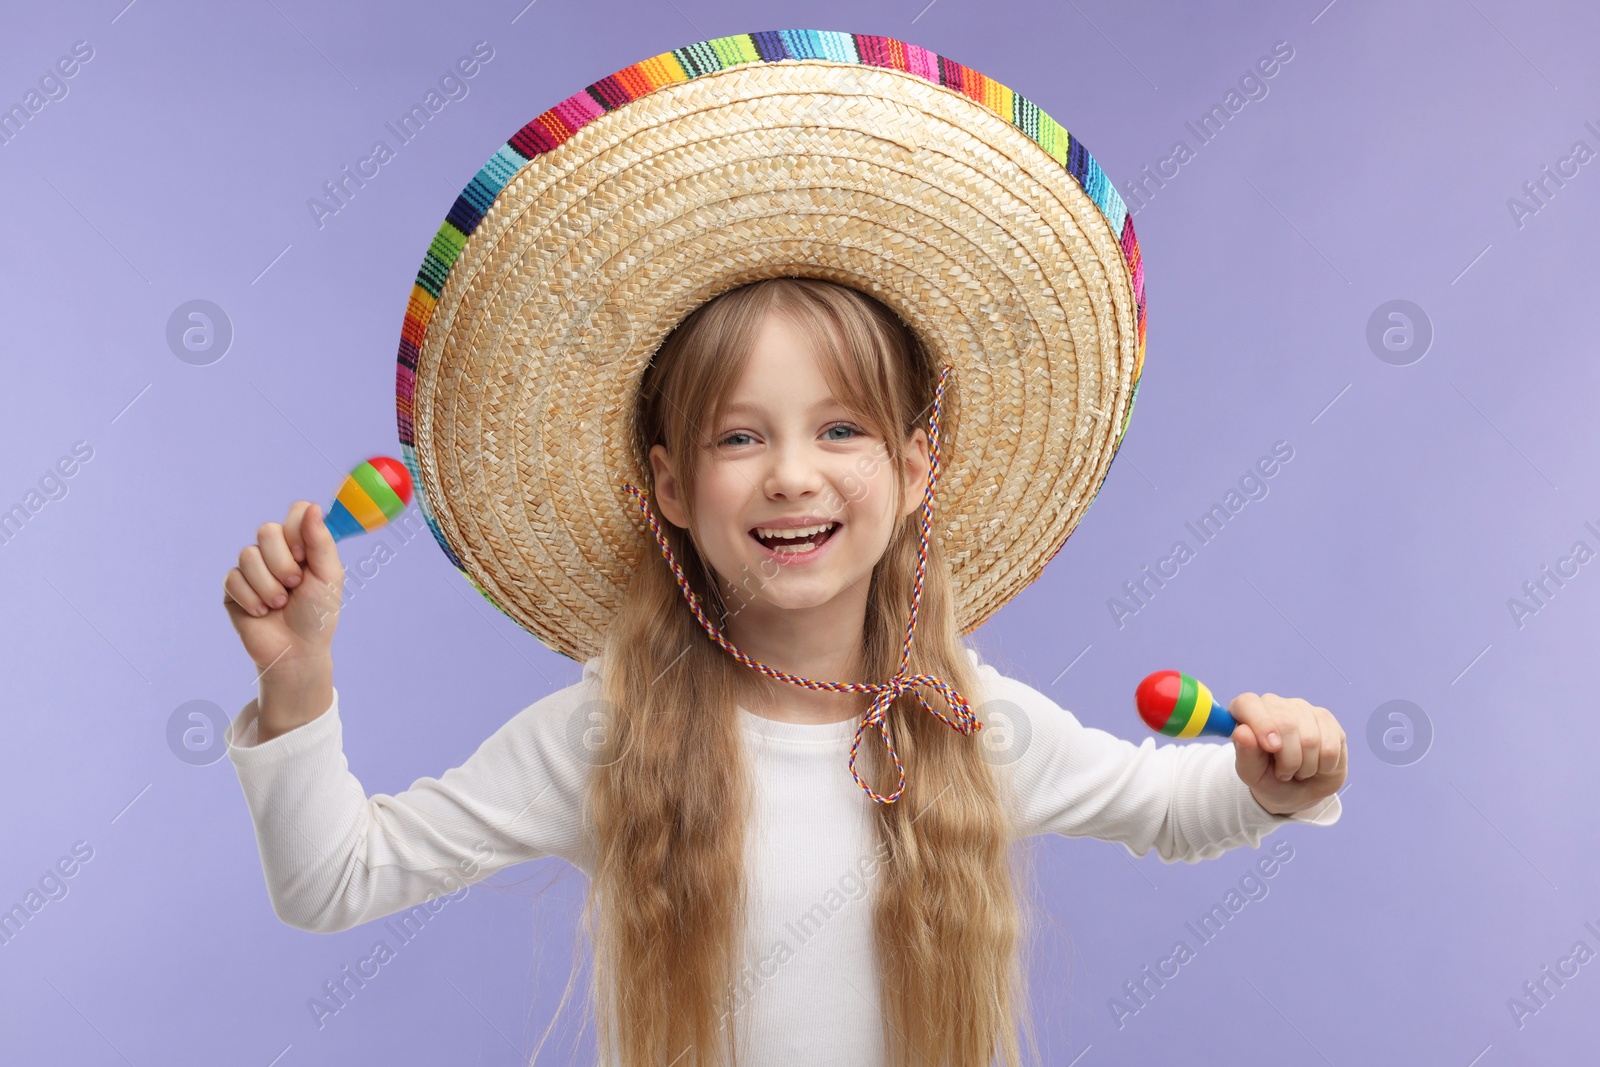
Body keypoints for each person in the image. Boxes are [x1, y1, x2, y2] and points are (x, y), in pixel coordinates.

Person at [221, 32, 1345, 1067]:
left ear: (916, 471)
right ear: (668, 483)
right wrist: (296, 679)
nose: (792, 473)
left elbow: (1176, 808)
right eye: (739, 435)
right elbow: (334, 878)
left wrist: (1282, 773)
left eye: (840, 428)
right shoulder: (608, 734)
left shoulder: (973, 727)